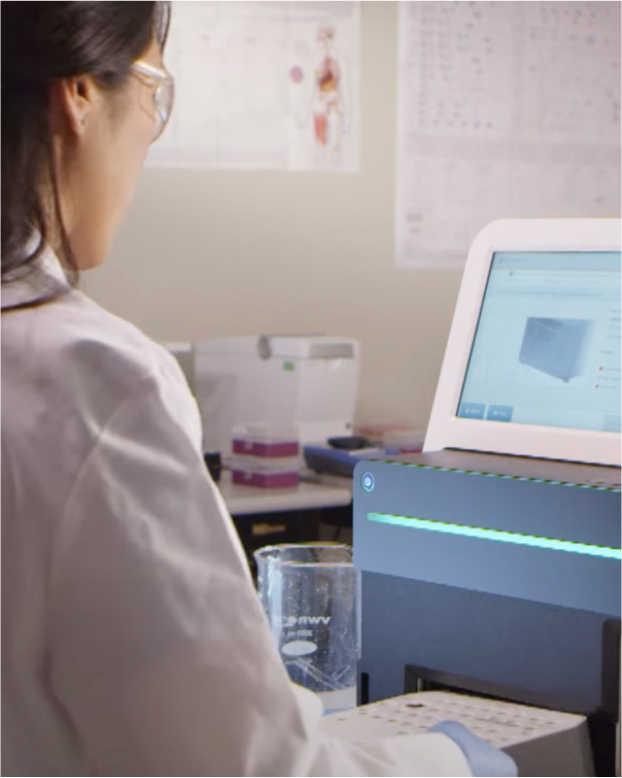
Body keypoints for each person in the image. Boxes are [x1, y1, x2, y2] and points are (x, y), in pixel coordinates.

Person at [1, 3, 517, 776]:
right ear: (77, 95)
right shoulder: (96, 384)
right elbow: (248, 767)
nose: (147, 134)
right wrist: (453, 766)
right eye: (153, 91)